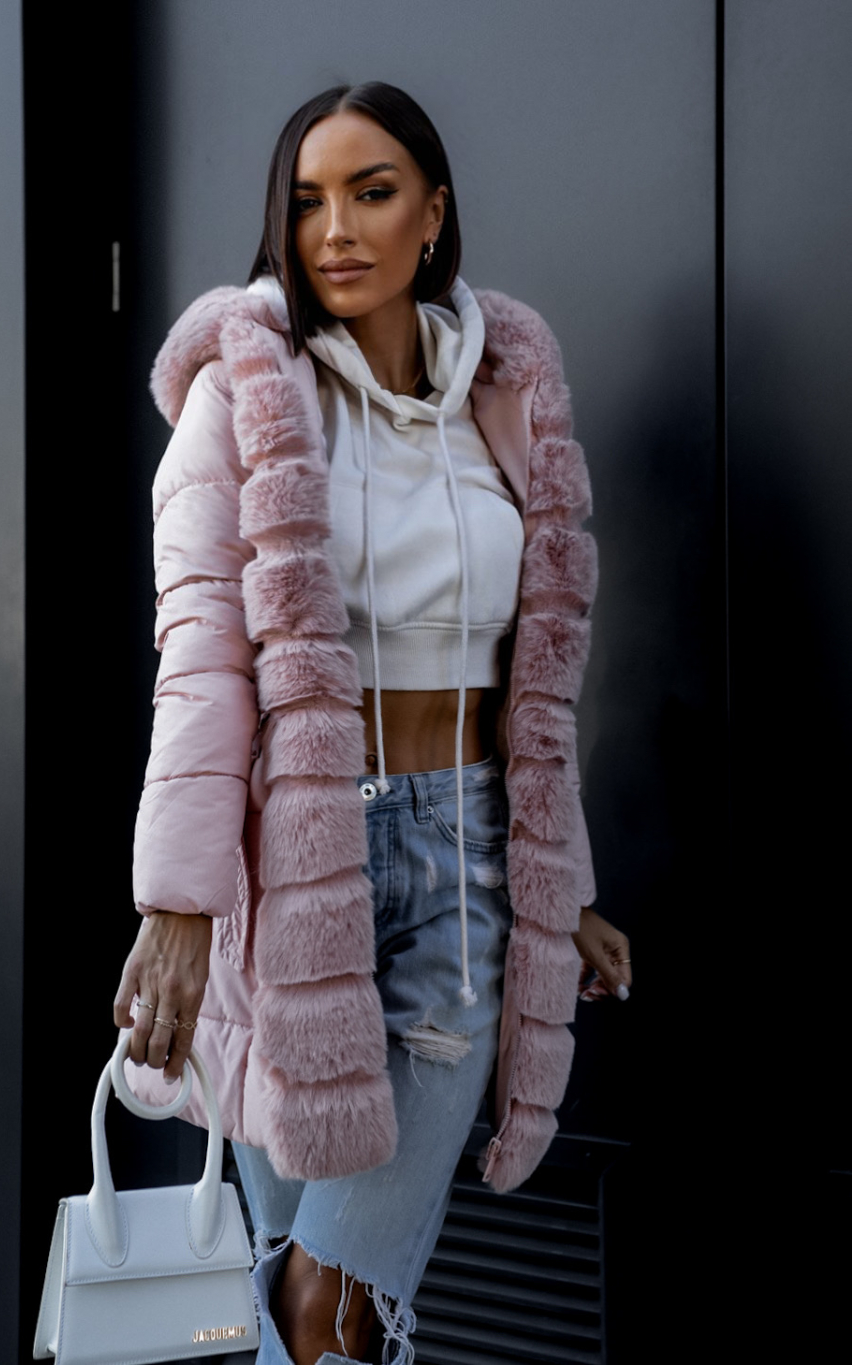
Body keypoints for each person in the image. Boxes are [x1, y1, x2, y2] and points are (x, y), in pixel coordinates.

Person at [113, 81, 631, 1365]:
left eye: (371, 192)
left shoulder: (504, 399)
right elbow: (201, 660)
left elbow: (536, 689)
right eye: (306, 202)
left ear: (433, 213)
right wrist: (177, 903)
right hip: (295, 869)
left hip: (464, 869)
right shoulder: (244, 396)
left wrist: (558, 888)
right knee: (298, 1305)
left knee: (328, 1303)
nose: (334, 229)